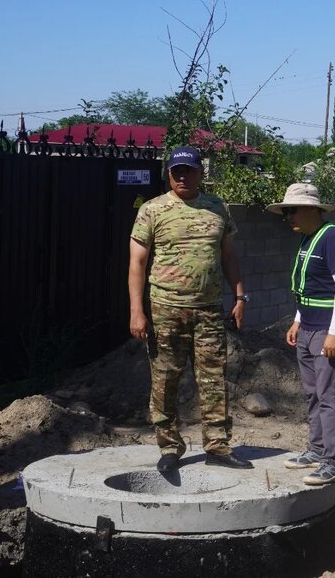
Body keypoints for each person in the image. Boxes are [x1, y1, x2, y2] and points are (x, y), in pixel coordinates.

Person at [128, 146, 251, 473]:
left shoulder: (217, 208)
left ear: (200, 173)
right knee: (165, 380)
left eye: (189, 170)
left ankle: (217, 445)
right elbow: (137, 262)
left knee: (214, 380)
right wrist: (136, 311)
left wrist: (240, 297)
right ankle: (169, 447)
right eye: (176, 171)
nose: (183, 176)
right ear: (168, 173)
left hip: (209, 310)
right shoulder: (152, 210)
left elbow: (229, 257)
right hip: (166, 309)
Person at [267, 183, 335, 486]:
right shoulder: (308, 239)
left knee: (331, 397)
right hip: (308, 328)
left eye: (292, 210)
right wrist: (297, 320)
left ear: (310, 209)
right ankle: (316, 450)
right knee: (313, 393)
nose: (288, 216)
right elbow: (309, 287)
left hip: (326, 332)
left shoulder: (332, 238)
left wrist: (334, 333)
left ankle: (331, 462)